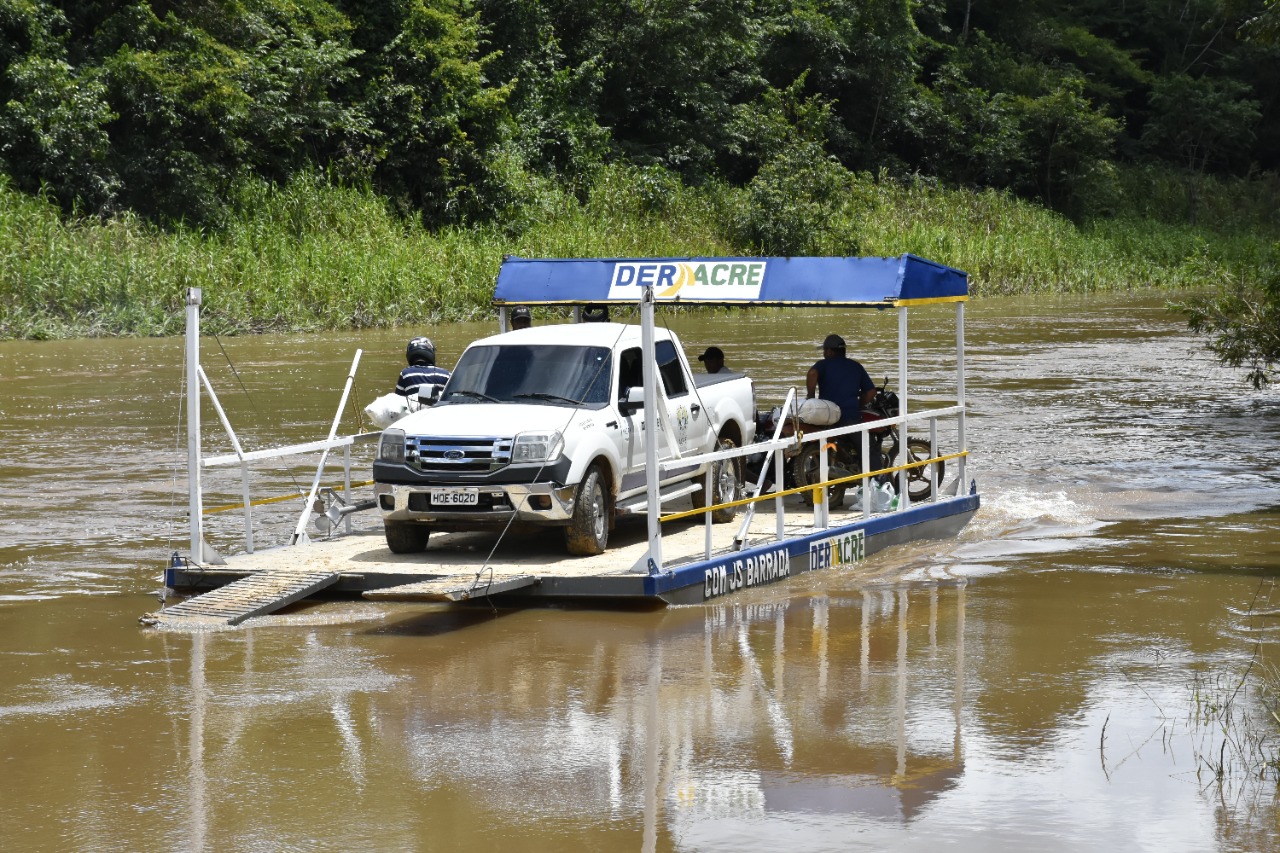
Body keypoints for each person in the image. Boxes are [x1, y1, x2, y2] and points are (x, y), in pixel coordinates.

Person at [806, 333, 875, 428]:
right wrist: (858, 405)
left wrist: (811, 399)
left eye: (825, 350)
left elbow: (812, 373)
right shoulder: (856, 366)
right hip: (851, 418)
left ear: (830, 351)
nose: (824, 353)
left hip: (829, 418)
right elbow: (871, 392)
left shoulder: (823, 365)